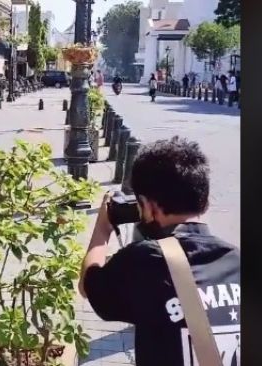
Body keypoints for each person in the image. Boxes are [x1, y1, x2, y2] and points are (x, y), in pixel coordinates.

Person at [77, 136, 240, 366]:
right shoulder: (236, 259)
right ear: (204, 203)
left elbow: (88, 284)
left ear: (149, 206)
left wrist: (103, 226)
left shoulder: (145, 260)